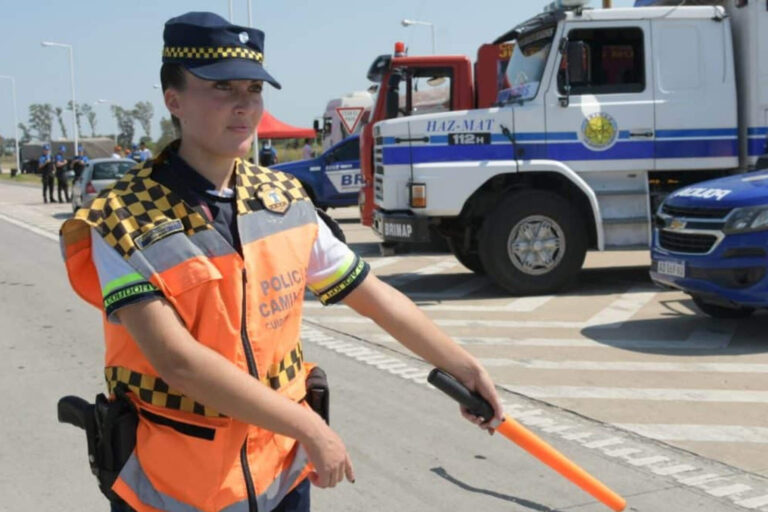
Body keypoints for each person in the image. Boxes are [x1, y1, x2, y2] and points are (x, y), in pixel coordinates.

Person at [59, 11, 503, 512]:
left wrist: (463, 367)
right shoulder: (122, 217)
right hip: (175, 489)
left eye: (253, 88)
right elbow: (176, 362)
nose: (244, 105)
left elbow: (375, 298)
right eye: (222, 88)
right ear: (174, 100)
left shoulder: (284, 200)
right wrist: (310, 426)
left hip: (280, 479)